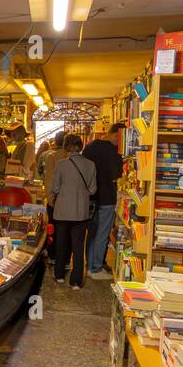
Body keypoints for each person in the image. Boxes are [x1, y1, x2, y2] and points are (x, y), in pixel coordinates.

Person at [49, 133, 96, 289]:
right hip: (81, 211)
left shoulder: (61, 164)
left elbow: (55, 188)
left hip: (62, 210)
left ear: (66, 146)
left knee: (61, 243)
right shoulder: (91, 164)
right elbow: (93, 189)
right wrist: (81, 193)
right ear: (80, 145)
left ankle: (59, 275)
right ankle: (76, 281)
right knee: (78, 246)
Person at [83, 122, 124, 279]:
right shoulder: (113, 151)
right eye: (121, 139)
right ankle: (96, 268)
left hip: (91, 197)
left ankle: (90, 265)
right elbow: (116, 174)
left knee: (92, 233)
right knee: (102, 233)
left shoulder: (90, 146)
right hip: (107, 196)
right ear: (116, 135)